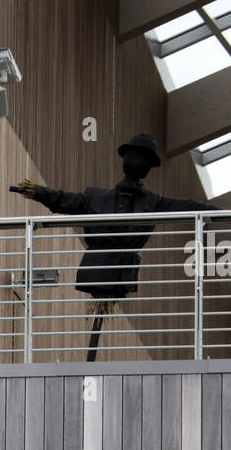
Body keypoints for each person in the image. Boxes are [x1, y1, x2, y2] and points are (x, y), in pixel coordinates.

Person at [13, 133, 220, 360]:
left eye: (143, 160)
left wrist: (213, 213)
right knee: (96, 325)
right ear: (127, 159)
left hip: (120, 272)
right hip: (98, 268)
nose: (138, 164)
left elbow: (185, 206)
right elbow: (64, 200)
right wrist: (36, 191)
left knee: (98, 325)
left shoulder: (154, 202)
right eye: (135, 157)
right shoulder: (96, 197)